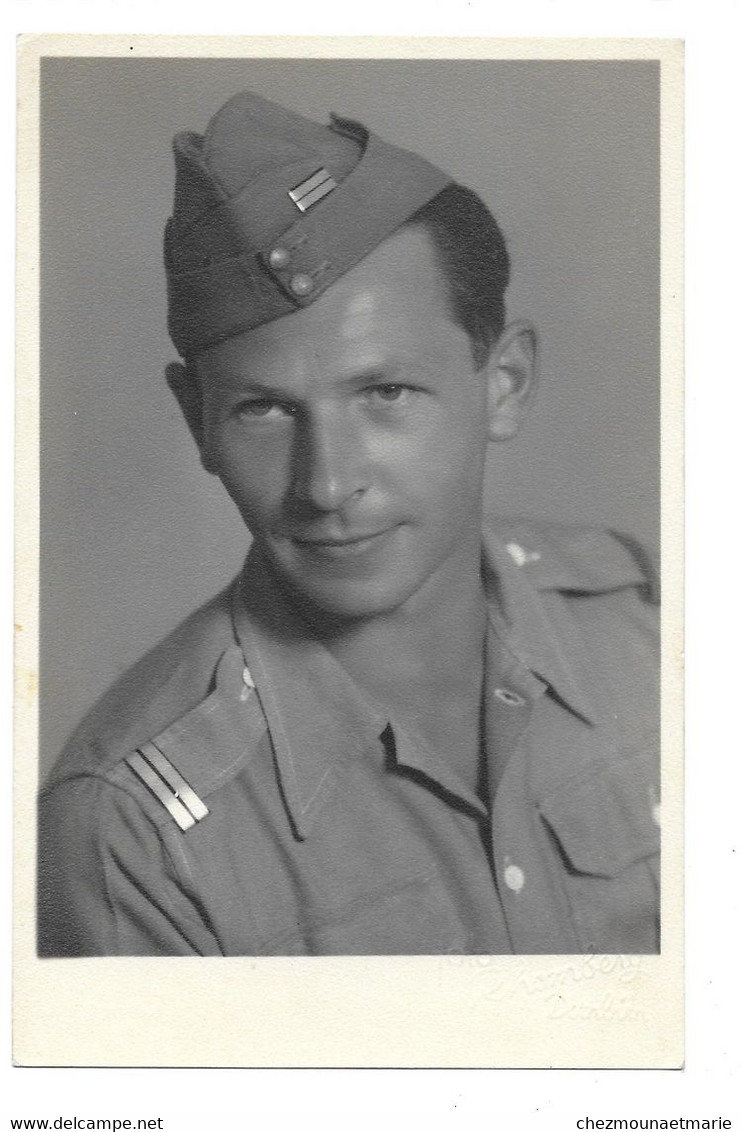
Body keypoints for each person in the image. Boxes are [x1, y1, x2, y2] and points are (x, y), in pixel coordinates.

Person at [38, 91, 660, 957]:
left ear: (504, 382)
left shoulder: (653, 624)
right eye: (263, 410)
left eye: (385, 393)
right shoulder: (132, 832)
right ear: (198, 423)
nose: (326, 484)